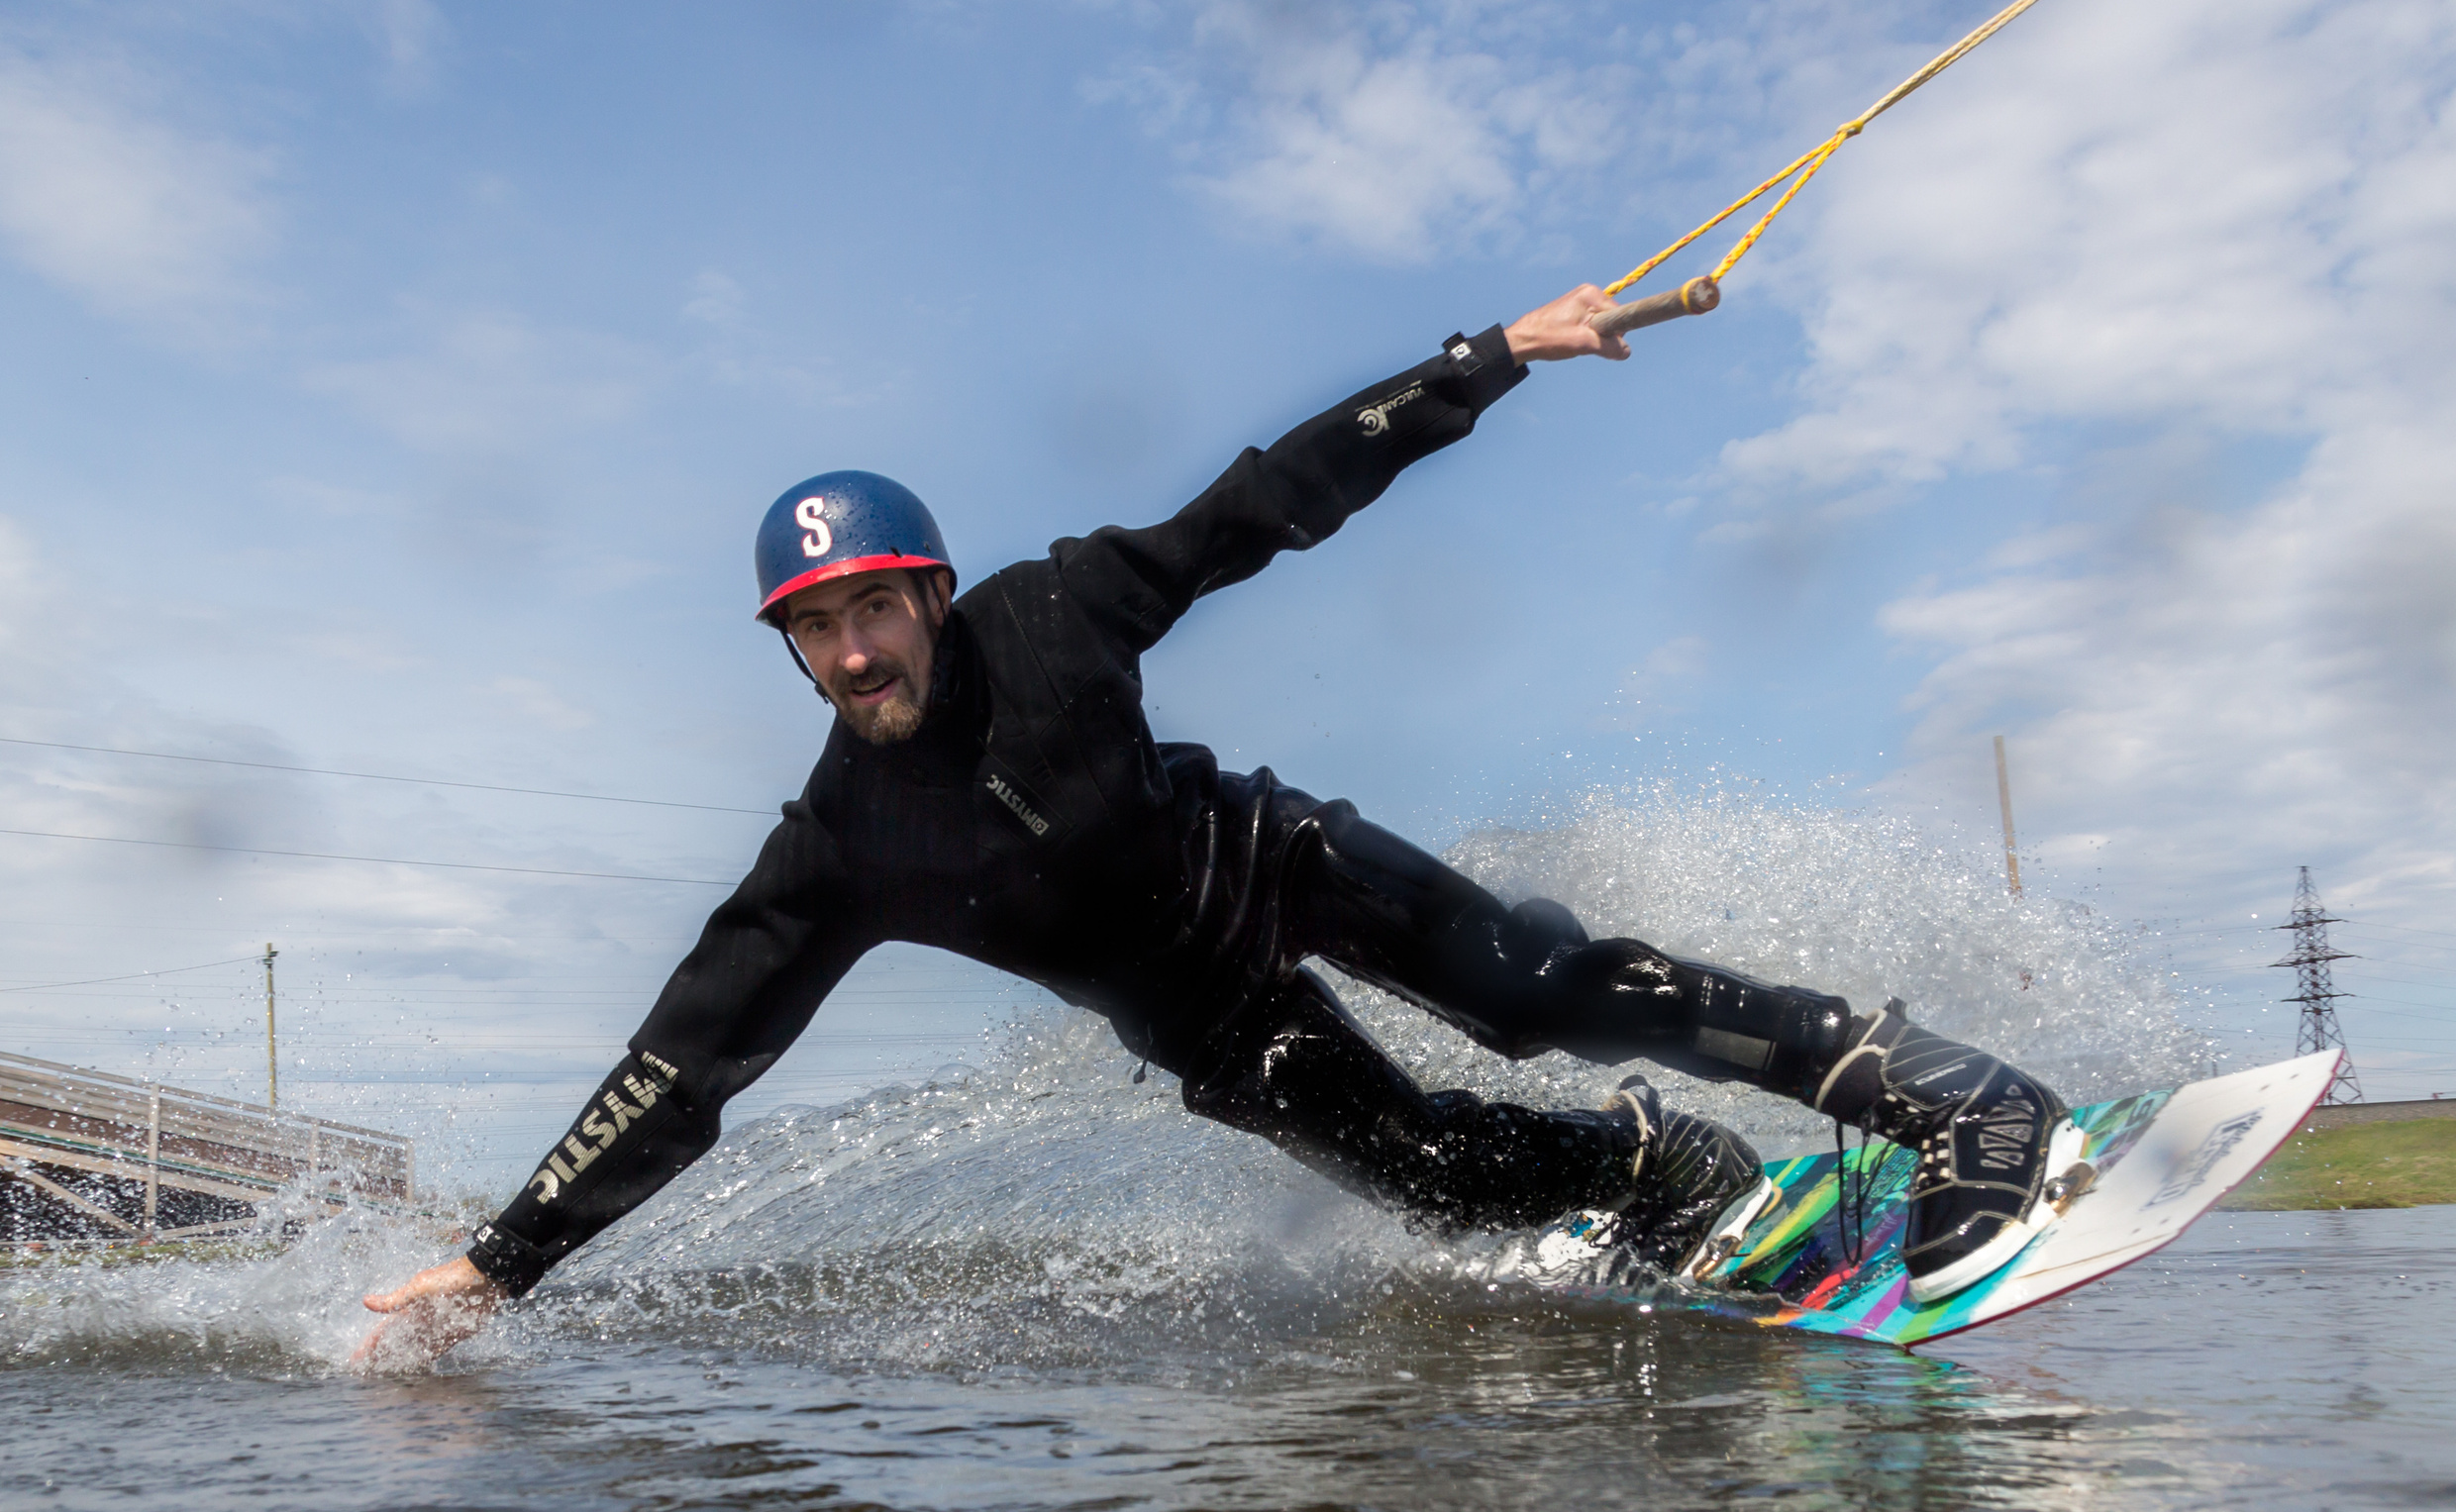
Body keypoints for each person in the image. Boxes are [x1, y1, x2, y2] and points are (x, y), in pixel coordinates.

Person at [355, 286, 2068, 1369]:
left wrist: (1487, 361)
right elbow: (683, 1067)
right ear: (789, 647)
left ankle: (1958, 1098)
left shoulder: (1055, 615)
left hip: (1279, 865)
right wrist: (503, 1264)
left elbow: (1266, 506)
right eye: (818, 625)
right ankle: (1651, 1165)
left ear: (934, 596)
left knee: (1535, 989)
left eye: (877, 604)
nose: (856, 646)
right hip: (1207, 1023)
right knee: (1444, 1181)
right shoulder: (836, 847)